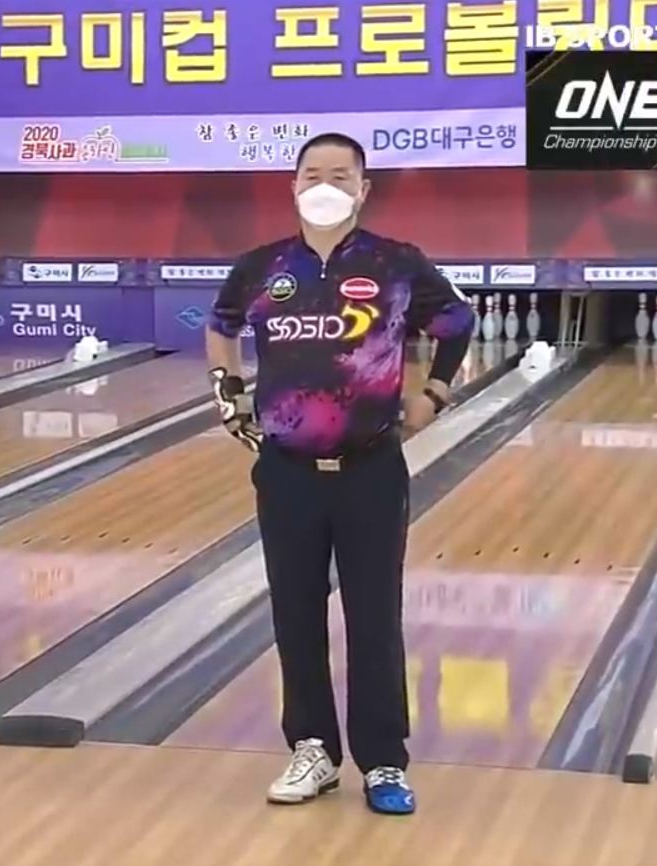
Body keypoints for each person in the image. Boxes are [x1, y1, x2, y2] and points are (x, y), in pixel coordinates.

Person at [204, 132, 475, 815]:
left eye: (341, 174)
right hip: (286, 471)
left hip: (370, 469)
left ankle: (382, 761)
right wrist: (227, 393)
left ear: (363, 189)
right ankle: (312, 751)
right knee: (294, 612)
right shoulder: (261, 266)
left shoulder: (395, 262)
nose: (325, 185)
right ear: (294, 185)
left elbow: (456, 320)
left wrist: (435, 392)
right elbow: (221, 324)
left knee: (373, 615)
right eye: (312, 173)